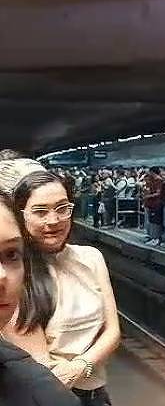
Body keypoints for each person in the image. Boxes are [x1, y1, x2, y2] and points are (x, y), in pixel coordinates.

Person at [6, 171, 121, 405]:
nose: (53, 220)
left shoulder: (91, 257)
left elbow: (113, 331)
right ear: (21, 216)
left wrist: (81, 365)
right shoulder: (16, 273)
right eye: (40, 211)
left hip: (97, 394)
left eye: (61, 208)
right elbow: (42, 367)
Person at [0, 194, 80, 406]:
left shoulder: (45, 395)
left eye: (10, 254)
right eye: (41, 211)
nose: (2, 276)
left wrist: (82, 365)